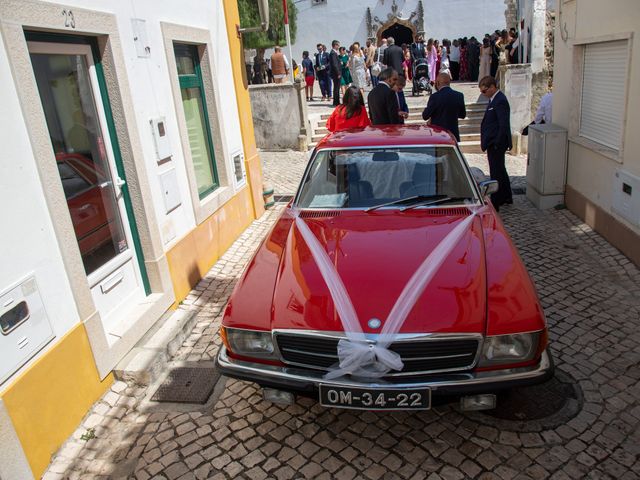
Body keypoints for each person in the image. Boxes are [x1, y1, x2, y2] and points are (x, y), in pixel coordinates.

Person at [479, 76, 513, 211]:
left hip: (496, 142)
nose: (483, 94)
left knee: (496, 172)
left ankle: (496, 200)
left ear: (492, 87)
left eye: (484, 91)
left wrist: (497, 142)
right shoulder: (494, 99)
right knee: (500, 170)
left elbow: (503, 124)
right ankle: (506, 196)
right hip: (493, 141)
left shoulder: (500, 101)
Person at [421, 72, 466, 141]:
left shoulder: (435, 97)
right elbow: (462, 115)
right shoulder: (459, 95)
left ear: (438, 83)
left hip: (438, 134)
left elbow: (425, 116)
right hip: (453, 134)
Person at [329, 40, 342, 106]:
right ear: (335, 45)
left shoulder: (334, 52)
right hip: (336, 73)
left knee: (337, 87)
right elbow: (334, 64)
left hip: (336, 73)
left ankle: (336, 101)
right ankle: (336, 102)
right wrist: (338, 73)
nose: (338, 47)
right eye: (338, 45)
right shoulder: (333, 53)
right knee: (336, 88)